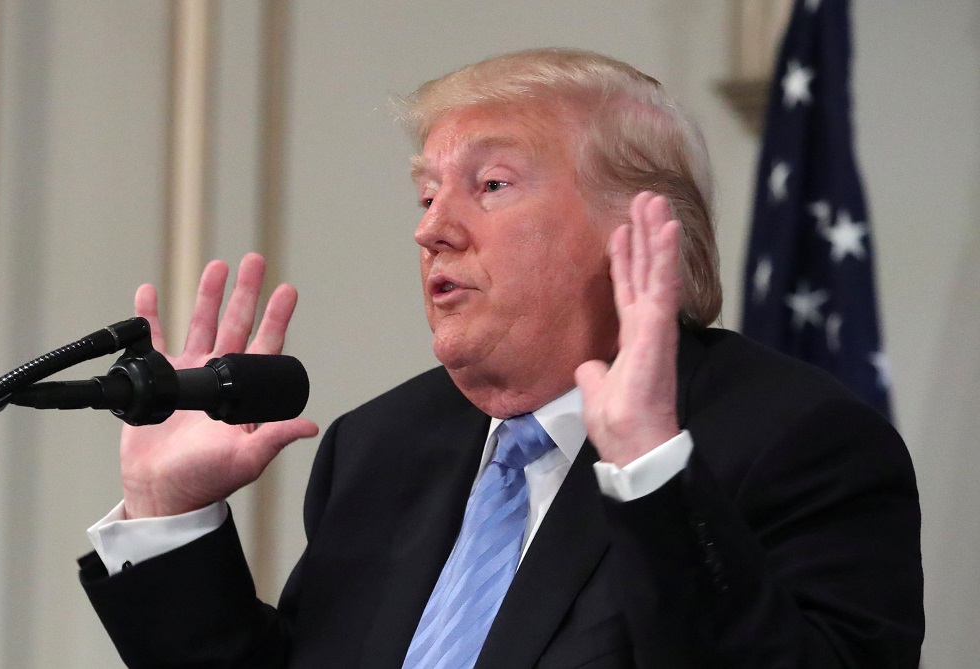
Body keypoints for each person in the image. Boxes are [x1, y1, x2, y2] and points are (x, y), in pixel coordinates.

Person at [79, 48, 923, 668]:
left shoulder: (796, 442)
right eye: (425, 193)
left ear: (640, 229)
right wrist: (168, 515)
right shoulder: (380, 448)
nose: (431, 227)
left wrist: (649, 467)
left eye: (491, 185)